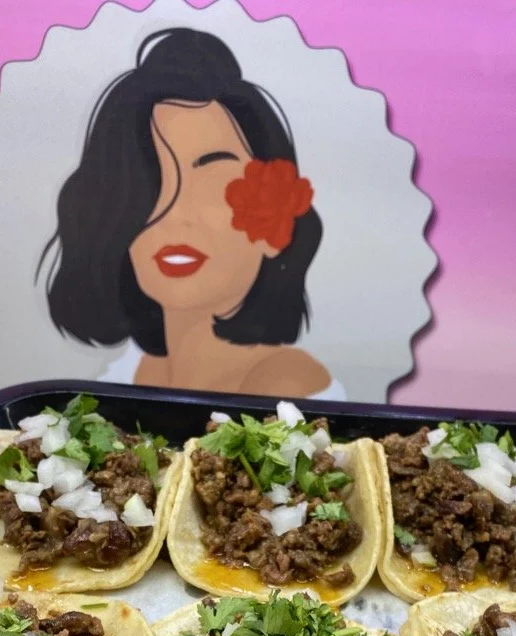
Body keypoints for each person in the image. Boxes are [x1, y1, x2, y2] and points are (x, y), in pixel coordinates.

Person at [39, 27, 345, 398]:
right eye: (147, 187)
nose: (176, 214)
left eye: (214, 182)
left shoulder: (288, 389)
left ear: (277, 222)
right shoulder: (131, 371)